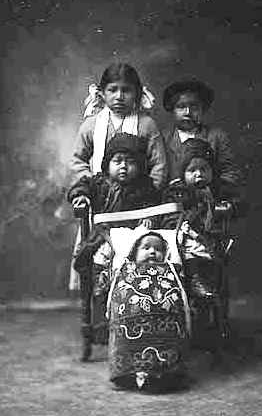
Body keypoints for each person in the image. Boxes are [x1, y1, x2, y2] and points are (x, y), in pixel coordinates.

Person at [67, 133, 161, 358]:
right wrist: (81, 197)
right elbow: (81, 186)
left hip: (132, 238)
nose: (123, 167)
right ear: (107, 164)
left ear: (139, 166)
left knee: (144, 254)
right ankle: (102, 284)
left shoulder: (145, 186)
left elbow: (156, 202)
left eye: (130, 163)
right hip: (106, 236)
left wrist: (150, 218)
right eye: (117, 161)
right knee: (101, 256)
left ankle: (140, 310)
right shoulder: (98, 183)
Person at [161, 138, 244, 345]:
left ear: (212, 171)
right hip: (184, 235)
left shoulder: (218, 189)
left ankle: (200, 284)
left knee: (200, 247)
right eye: (192, 170)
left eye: (204, 169)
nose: (199, 174)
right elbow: (168, 215)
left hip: (210, 239)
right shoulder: (177, 191)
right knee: (181, 244)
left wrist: (228, 207)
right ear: (183, 174)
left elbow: (239, 203)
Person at [106, 231, 190, 391]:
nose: (152, 251)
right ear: (134, 252)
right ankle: (129, 373)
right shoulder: (125, 269)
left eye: (158, 249)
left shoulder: (171, 269)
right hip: (130, 323)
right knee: (126, 337)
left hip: (165, 322)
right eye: (146, 247)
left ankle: (163, 374)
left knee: (168, 338)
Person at [71, 63, 167, 189]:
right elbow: (77, 161)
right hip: (100, 197)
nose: (119, 97)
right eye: (113, 90)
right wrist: (93, 186)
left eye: (126, 90)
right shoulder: (91, 125)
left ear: (137, 94)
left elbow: (159, 164)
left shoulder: (146, 124)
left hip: (138, 197)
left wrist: (149, 192)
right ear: (102, 93)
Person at [162, 79, 241, 197]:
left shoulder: (217, 137)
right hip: (173, 202)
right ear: (172, 109)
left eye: (194, 107)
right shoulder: (163, 139)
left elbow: (230, 174)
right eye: (181, 107)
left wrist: (211, 191)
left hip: (210, 200)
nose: (188, 112)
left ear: (202, 109)